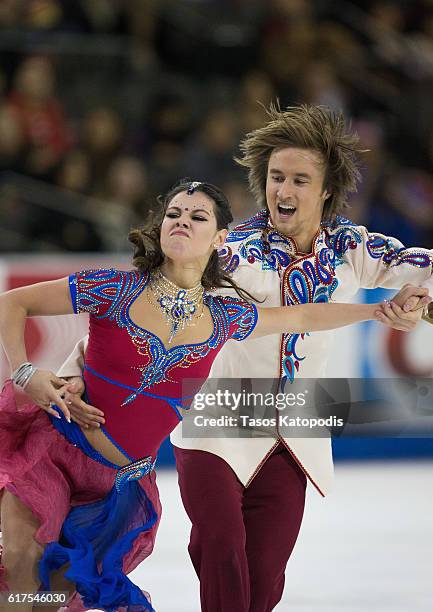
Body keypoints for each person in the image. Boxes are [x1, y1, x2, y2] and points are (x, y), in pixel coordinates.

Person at [61, 105, 433, 612]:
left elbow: (422, 268)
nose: (285, 190)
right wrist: (71, 370)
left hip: (294, 432)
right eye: (277, 176)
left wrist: (418, 302)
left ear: (326, 189)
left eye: (301, 180)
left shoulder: (350, 247)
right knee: (222, 552)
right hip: (215, 423)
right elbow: (139, 309)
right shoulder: (232, 253)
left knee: (264, 583)